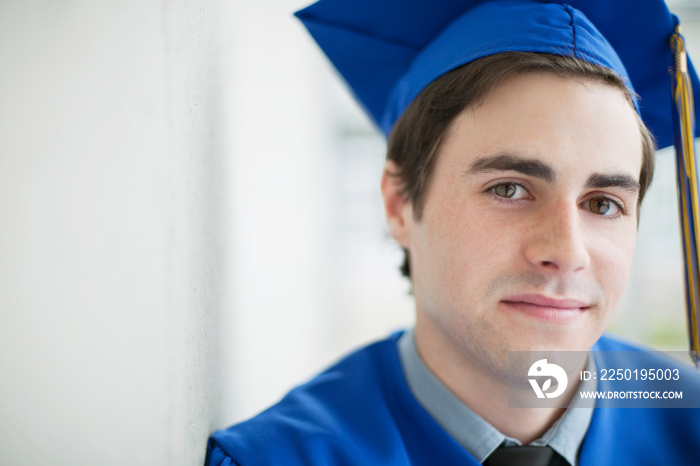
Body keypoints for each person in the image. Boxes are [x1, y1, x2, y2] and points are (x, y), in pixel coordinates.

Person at [206, 1, 700, 464]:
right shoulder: (280, 457)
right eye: (509, 189)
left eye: (602, 203)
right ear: (399, 203)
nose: (567, 252)